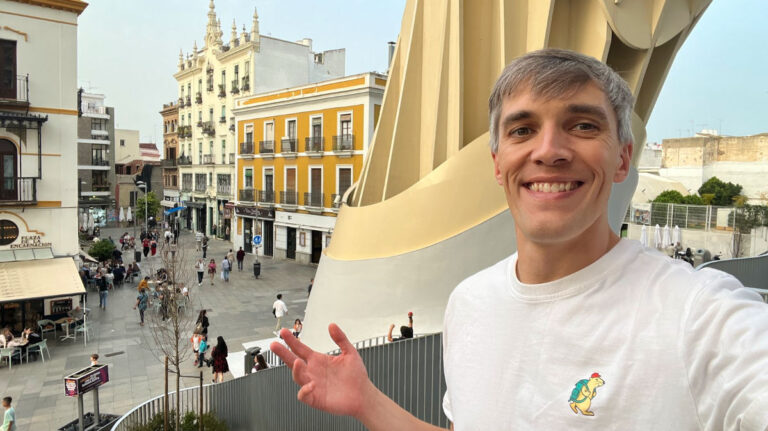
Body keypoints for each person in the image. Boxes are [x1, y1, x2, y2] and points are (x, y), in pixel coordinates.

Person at [270, 49, 768, 429]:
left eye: (583, 125)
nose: (549, 151)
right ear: (496, 162)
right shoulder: (469, 305)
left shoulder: (696, 314)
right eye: (523, 130)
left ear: (623, 158)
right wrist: (369, 402)